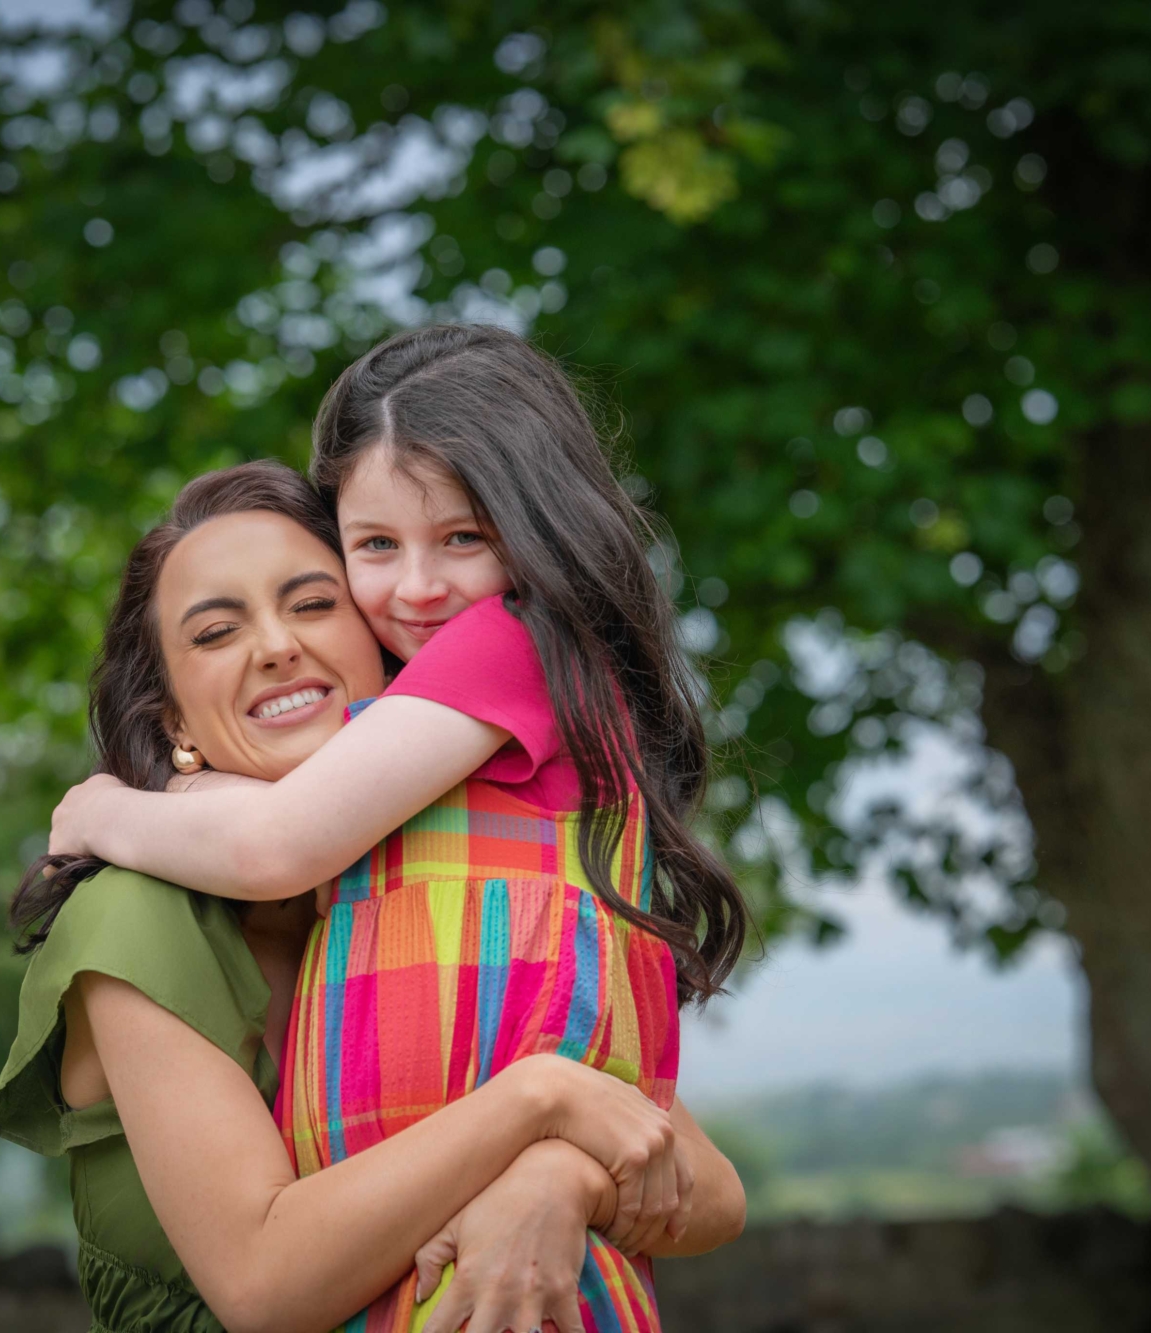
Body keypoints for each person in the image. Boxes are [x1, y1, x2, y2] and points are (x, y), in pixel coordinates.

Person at [51, 325, 752, 1333]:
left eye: (460, 538)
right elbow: (263, 1284)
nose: (416, 591)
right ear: (167, 715)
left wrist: (562, 1177)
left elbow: (703, 1186)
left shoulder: (497, 672)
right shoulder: (206, 904)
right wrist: (540, 1110)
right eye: (375, 547)